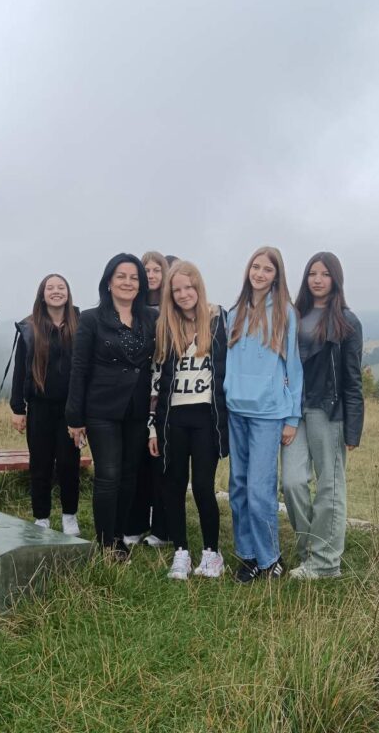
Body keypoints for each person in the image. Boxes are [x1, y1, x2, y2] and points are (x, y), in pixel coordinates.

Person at [66, 253, 156, 560]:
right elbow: (79, 369)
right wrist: (74, 417)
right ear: (109, 282)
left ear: (141, 284)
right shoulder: (91, 319)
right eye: (121, 276)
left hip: (138, 409)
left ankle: (119, 537)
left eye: (134, 277)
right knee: (108, 474)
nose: (127, 282)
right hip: (101, 409)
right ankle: (105, 543)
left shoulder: (151, 318)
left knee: (129, 475)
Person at [280, 252, 363, 579]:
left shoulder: (347, 321)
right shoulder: (294, 314)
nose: (317, 279)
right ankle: (309, 552)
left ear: (335, 279)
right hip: (294, 410)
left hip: (328, 410)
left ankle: (326, 563)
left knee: (330, 486)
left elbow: (353, 378)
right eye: (312, 273)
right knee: (292, 483)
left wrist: (353, 428)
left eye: (325, 274)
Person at [224, 246, 302, 582]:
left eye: (267, 269)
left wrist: (292, 417)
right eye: (255, 267)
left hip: (268, 414)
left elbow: (294, 367)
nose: (259, 273)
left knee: (259, 491)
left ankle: (270, 557)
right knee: (239, 488)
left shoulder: (286, 313)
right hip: (235, 410)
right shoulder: (234, 312)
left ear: (276, 276)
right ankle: (248, 556)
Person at [149, 261, 229, 579]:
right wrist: (152, 426)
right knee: (174, 485)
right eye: (177, 290)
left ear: (198, 287)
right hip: (174, 418)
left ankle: (212, 553)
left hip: (206, 417)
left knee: (203, 487)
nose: (183, 294)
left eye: (189, 287)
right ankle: (180, 551)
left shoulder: (218, 320)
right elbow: (156, 379)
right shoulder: (165, 326)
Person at [10, 274, 82, 536]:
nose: (56, 291)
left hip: (71, 409)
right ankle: (41, 517)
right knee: (40, 464)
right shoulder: (30, 328)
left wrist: (82, 410)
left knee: (69, 464)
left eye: (61, 287)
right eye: (50, 288)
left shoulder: (80, 324)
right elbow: (20, 370)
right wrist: (18, 408)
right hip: (39, 407)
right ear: (42, 295)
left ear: (68, 293)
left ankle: (69, 515)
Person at [125, 250, 171, 546]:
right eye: (147, 270)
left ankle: (163, 528)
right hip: (137, 389)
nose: (151, 275)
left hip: (165, 388)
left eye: (157, 270)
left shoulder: (172, 306)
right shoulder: (133, 306)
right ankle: (136, 522)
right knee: (137, 458)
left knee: (161, 460)